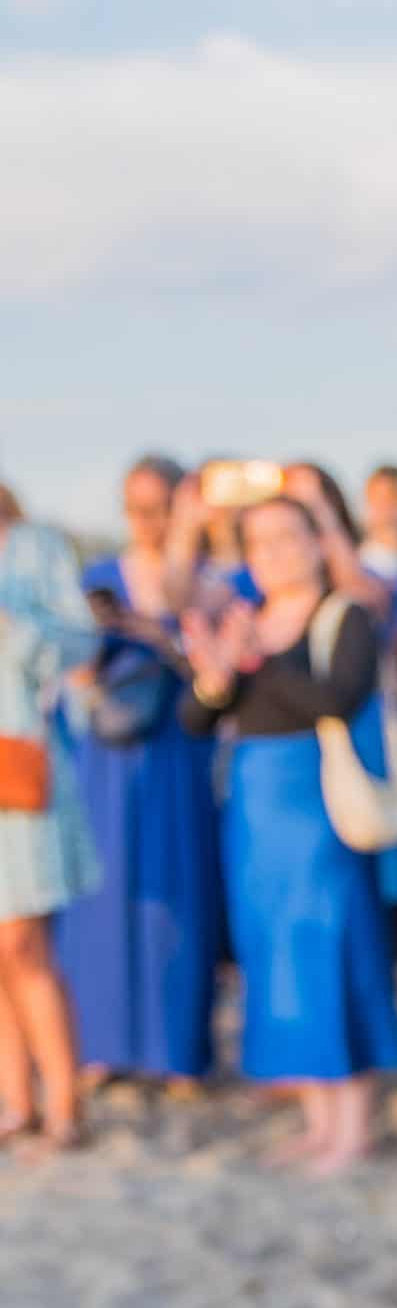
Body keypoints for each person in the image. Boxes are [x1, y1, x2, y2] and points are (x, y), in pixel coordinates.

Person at [180, 498, 397, 1173]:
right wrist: (218, 675)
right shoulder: (243, 618)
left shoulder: (344, 616)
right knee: (273, 952)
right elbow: (196, 718)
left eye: (287, 536)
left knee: (333, 945)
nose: (275, 552)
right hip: (254, 805)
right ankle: (316, 1118)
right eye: (260, 542)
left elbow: (337, 700)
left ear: (315, 542)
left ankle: (353, 1128)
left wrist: (259, 663)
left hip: (319, 801)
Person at [55, 455, 227, 1087]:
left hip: (177, 751)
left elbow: (210, 666)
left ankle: (176, 1049)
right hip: (106, 756)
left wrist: (148, 628)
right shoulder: (98, 575)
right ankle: (101, 1044)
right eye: (134, 508)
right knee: (101, 897)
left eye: (157, 508)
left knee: (177, 894)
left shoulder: (208, 578)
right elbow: (75, 674)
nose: (144, 521)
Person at [0, 484, 100, 1154]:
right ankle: (17, 1099)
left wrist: (13, 626)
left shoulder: (37, 547)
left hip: (18, 758)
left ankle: (64, 1101)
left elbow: (82, 643)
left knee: (22, 941)